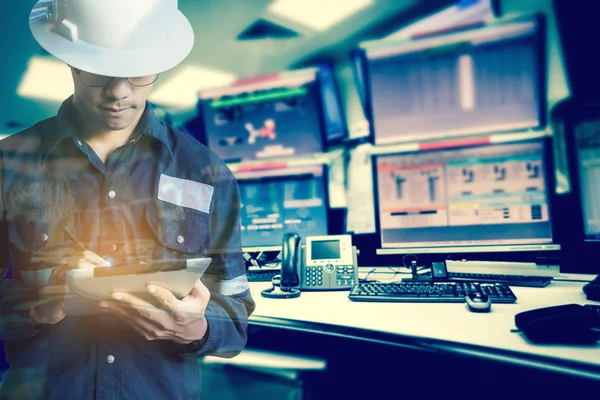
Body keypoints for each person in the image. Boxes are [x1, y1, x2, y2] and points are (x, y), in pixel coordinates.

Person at [0, 1, 255, 399]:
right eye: (98, 70)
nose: (118, 91)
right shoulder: (9, 164)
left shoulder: (207, 172)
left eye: (138, 71)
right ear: (70, 60)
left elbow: (236, 318)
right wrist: (40, 305)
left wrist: (197, 329)